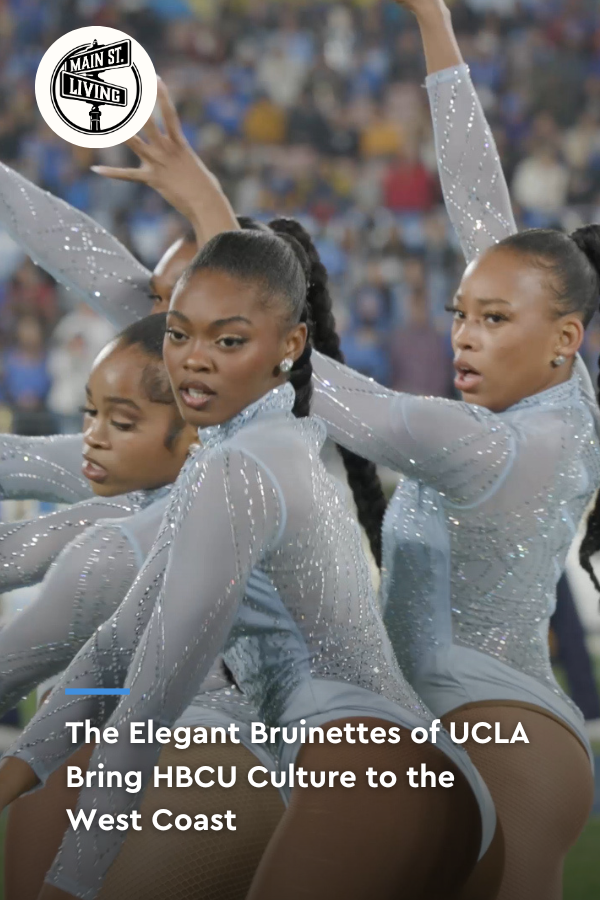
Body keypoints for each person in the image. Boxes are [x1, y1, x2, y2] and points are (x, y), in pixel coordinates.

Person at [0, 228, 498, 900]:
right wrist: (20, 767)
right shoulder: (243, 452)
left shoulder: (240, 466)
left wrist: (72, 878)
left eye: (227, 341)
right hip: (395, 772)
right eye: (179, 335)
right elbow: (118, 645)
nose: (194, 361)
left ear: (290, 347)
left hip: (372, 770)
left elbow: (153, 687)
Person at [304, 2, 597, 898]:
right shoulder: (568, 391)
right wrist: (433, 20)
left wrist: (220, 300)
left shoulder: (482, 443)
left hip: (478, 735)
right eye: (460, 316)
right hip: (500, 731)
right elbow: (479, 205)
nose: (465, 336)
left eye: (493, 319)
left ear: (566, 335)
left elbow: (328, 394)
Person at [0, 313, 284, 900]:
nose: (94, 436)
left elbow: (20, 652)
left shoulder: (170, 524)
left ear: (197, 434)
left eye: (121, 421)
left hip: (238, 752)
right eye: (90, 413)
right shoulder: (139, 504)